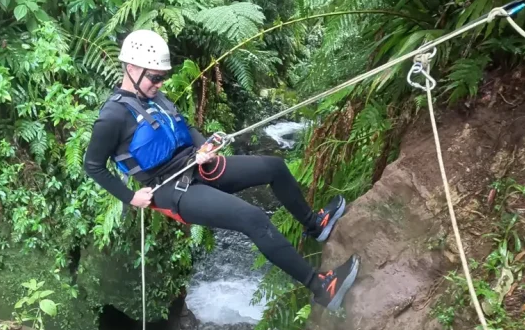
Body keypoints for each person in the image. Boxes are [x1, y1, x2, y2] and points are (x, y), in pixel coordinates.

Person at [84, 29, 360, 311]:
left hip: (197, 165)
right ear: (131, 69)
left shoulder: (156, 99)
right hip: (172, 189)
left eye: (163, 76)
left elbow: (186, 127)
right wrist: (131, 198)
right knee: (253, 218)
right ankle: (321, 288)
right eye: (155, 77)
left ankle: (315, 226)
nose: (160, 83)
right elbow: (92, 165)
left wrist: (204, 148)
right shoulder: (112, 116)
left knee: (274, 167)